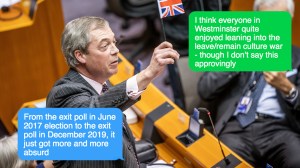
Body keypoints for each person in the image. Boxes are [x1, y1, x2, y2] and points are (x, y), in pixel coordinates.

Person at [46, 16, 179, 168]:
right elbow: (94, 113)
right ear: (80, 55)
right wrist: (147, 74)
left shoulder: (98, 84)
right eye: (104, 46)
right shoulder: (64, 93)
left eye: (114, 42)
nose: (116, 50)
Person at [198, 0, 300, 167]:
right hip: (237, 127)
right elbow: (205, 89)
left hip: (280, 129)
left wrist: (288, 88)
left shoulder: (298, 58)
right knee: (222, 162)